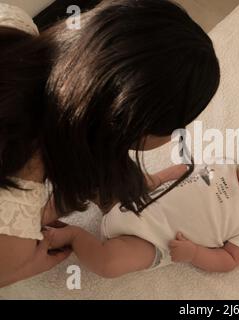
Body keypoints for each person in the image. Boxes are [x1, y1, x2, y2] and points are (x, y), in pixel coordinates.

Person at [0, 0, 220, 287]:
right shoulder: (13, 231)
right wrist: (22, 269)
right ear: (132, 127)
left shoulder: (12, 22)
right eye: (180, 124)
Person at [45, 142, 239, 277]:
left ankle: (73, 236)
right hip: (135, 198)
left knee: (109, 264)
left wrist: (195, 253)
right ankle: (41, 214)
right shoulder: (224, 166)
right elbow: (185, 175)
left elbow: (230, 260)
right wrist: (159, 178)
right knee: (95, 174)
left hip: (152, 241)